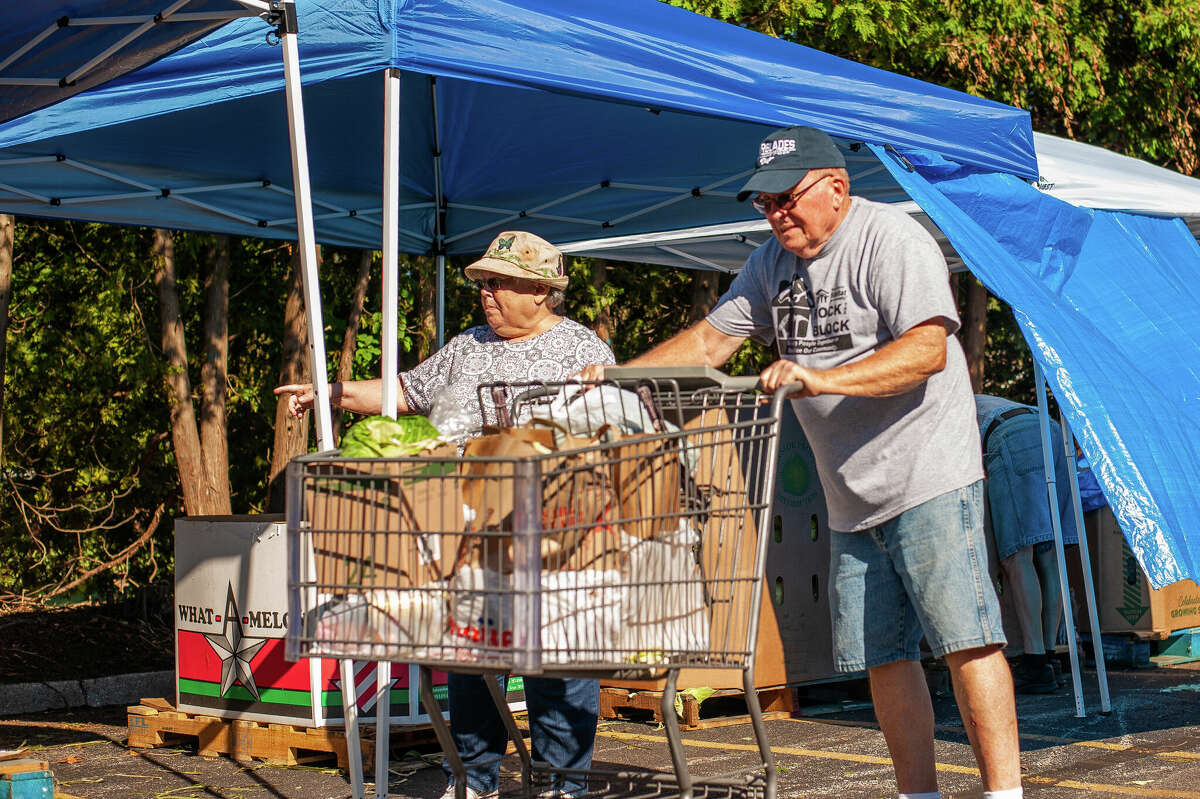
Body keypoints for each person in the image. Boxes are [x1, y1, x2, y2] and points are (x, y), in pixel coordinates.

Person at [578, 126, 1022, 799]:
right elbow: (708, 340)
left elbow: (930, 349)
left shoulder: (892, 241)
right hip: (848, 495)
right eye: (765, 203)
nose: (777, 213)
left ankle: (1005, 793)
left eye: (788, 197)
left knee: (967, 639)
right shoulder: (769, 264)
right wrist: (613, 377)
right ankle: (918, 793)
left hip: (929, 472)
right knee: (882, 655)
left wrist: (822, 377)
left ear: (836, 189)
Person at [277, 230, 614, 799]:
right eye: (484, 282)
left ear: (541, 291)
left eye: (500, 282)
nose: (486, 292)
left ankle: (563, 782)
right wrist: (330, 392)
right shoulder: (468, 345)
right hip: (465, 526)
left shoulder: (585, 352)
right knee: (471, 658)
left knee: (557, 657)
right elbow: (404, 393)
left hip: (552, 528)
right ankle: (474, 779)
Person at [975, 394, 1079, 693]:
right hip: (1051, 431)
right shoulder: (978, 399)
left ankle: (1034, 664)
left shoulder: (936, 410)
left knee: (1017, 556)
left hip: (1012, 435)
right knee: (1049, 553)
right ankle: (1049, 657)